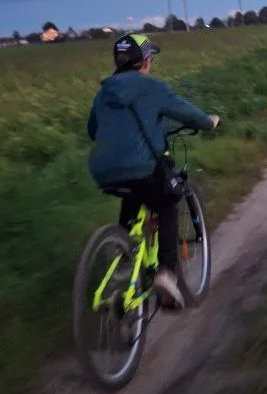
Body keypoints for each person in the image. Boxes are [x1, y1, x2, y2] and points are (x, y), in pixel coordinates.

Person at [87, 32, 219, 310]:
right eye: (150, 59)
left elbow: (92, 130)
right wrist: (209, 122)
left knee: (134, 195)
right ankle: (166, 274)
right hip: (142, 167)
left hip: (103, 170)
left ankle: (121, 262)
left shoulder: (104, 93)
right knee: (168, 200)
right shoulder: (151, 88)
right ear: (145, 62)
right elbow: (185, 112)